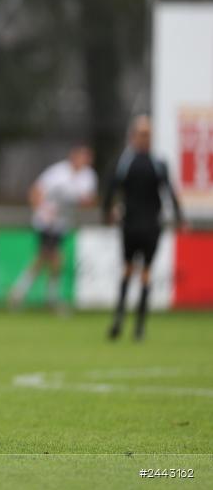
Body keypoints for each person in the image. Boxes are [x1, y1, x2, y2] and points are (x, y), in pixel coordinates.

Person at [103, 115, 183, 341]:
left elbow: (169, 192)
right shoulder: (126, 162)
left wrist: (179, 216)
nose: (144, 138)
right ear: (133, 136)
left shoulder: (156, 164)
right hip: (130, 225)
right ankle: (120, 321)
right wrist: (107, 211)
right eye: (142, 133)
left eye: (147, 134)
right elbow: (111, 188)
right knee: (129, 271)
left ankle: (138, 326)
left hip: (150, 226)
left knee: (144, 274)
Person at [8, 145, 97, 312]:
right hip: (45, 220)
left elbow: (89, 201)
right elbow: (35, 191)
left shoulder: (88, 177)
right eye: (82, 157)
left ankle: (18, 293)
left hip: (62, 224)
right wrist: (43, 209)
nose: (85, 161)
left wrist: (81, 200)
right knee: (56, 259)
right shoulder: (58, 172)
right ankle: (51, 299)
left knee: (43, 259)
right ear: (74, 156)